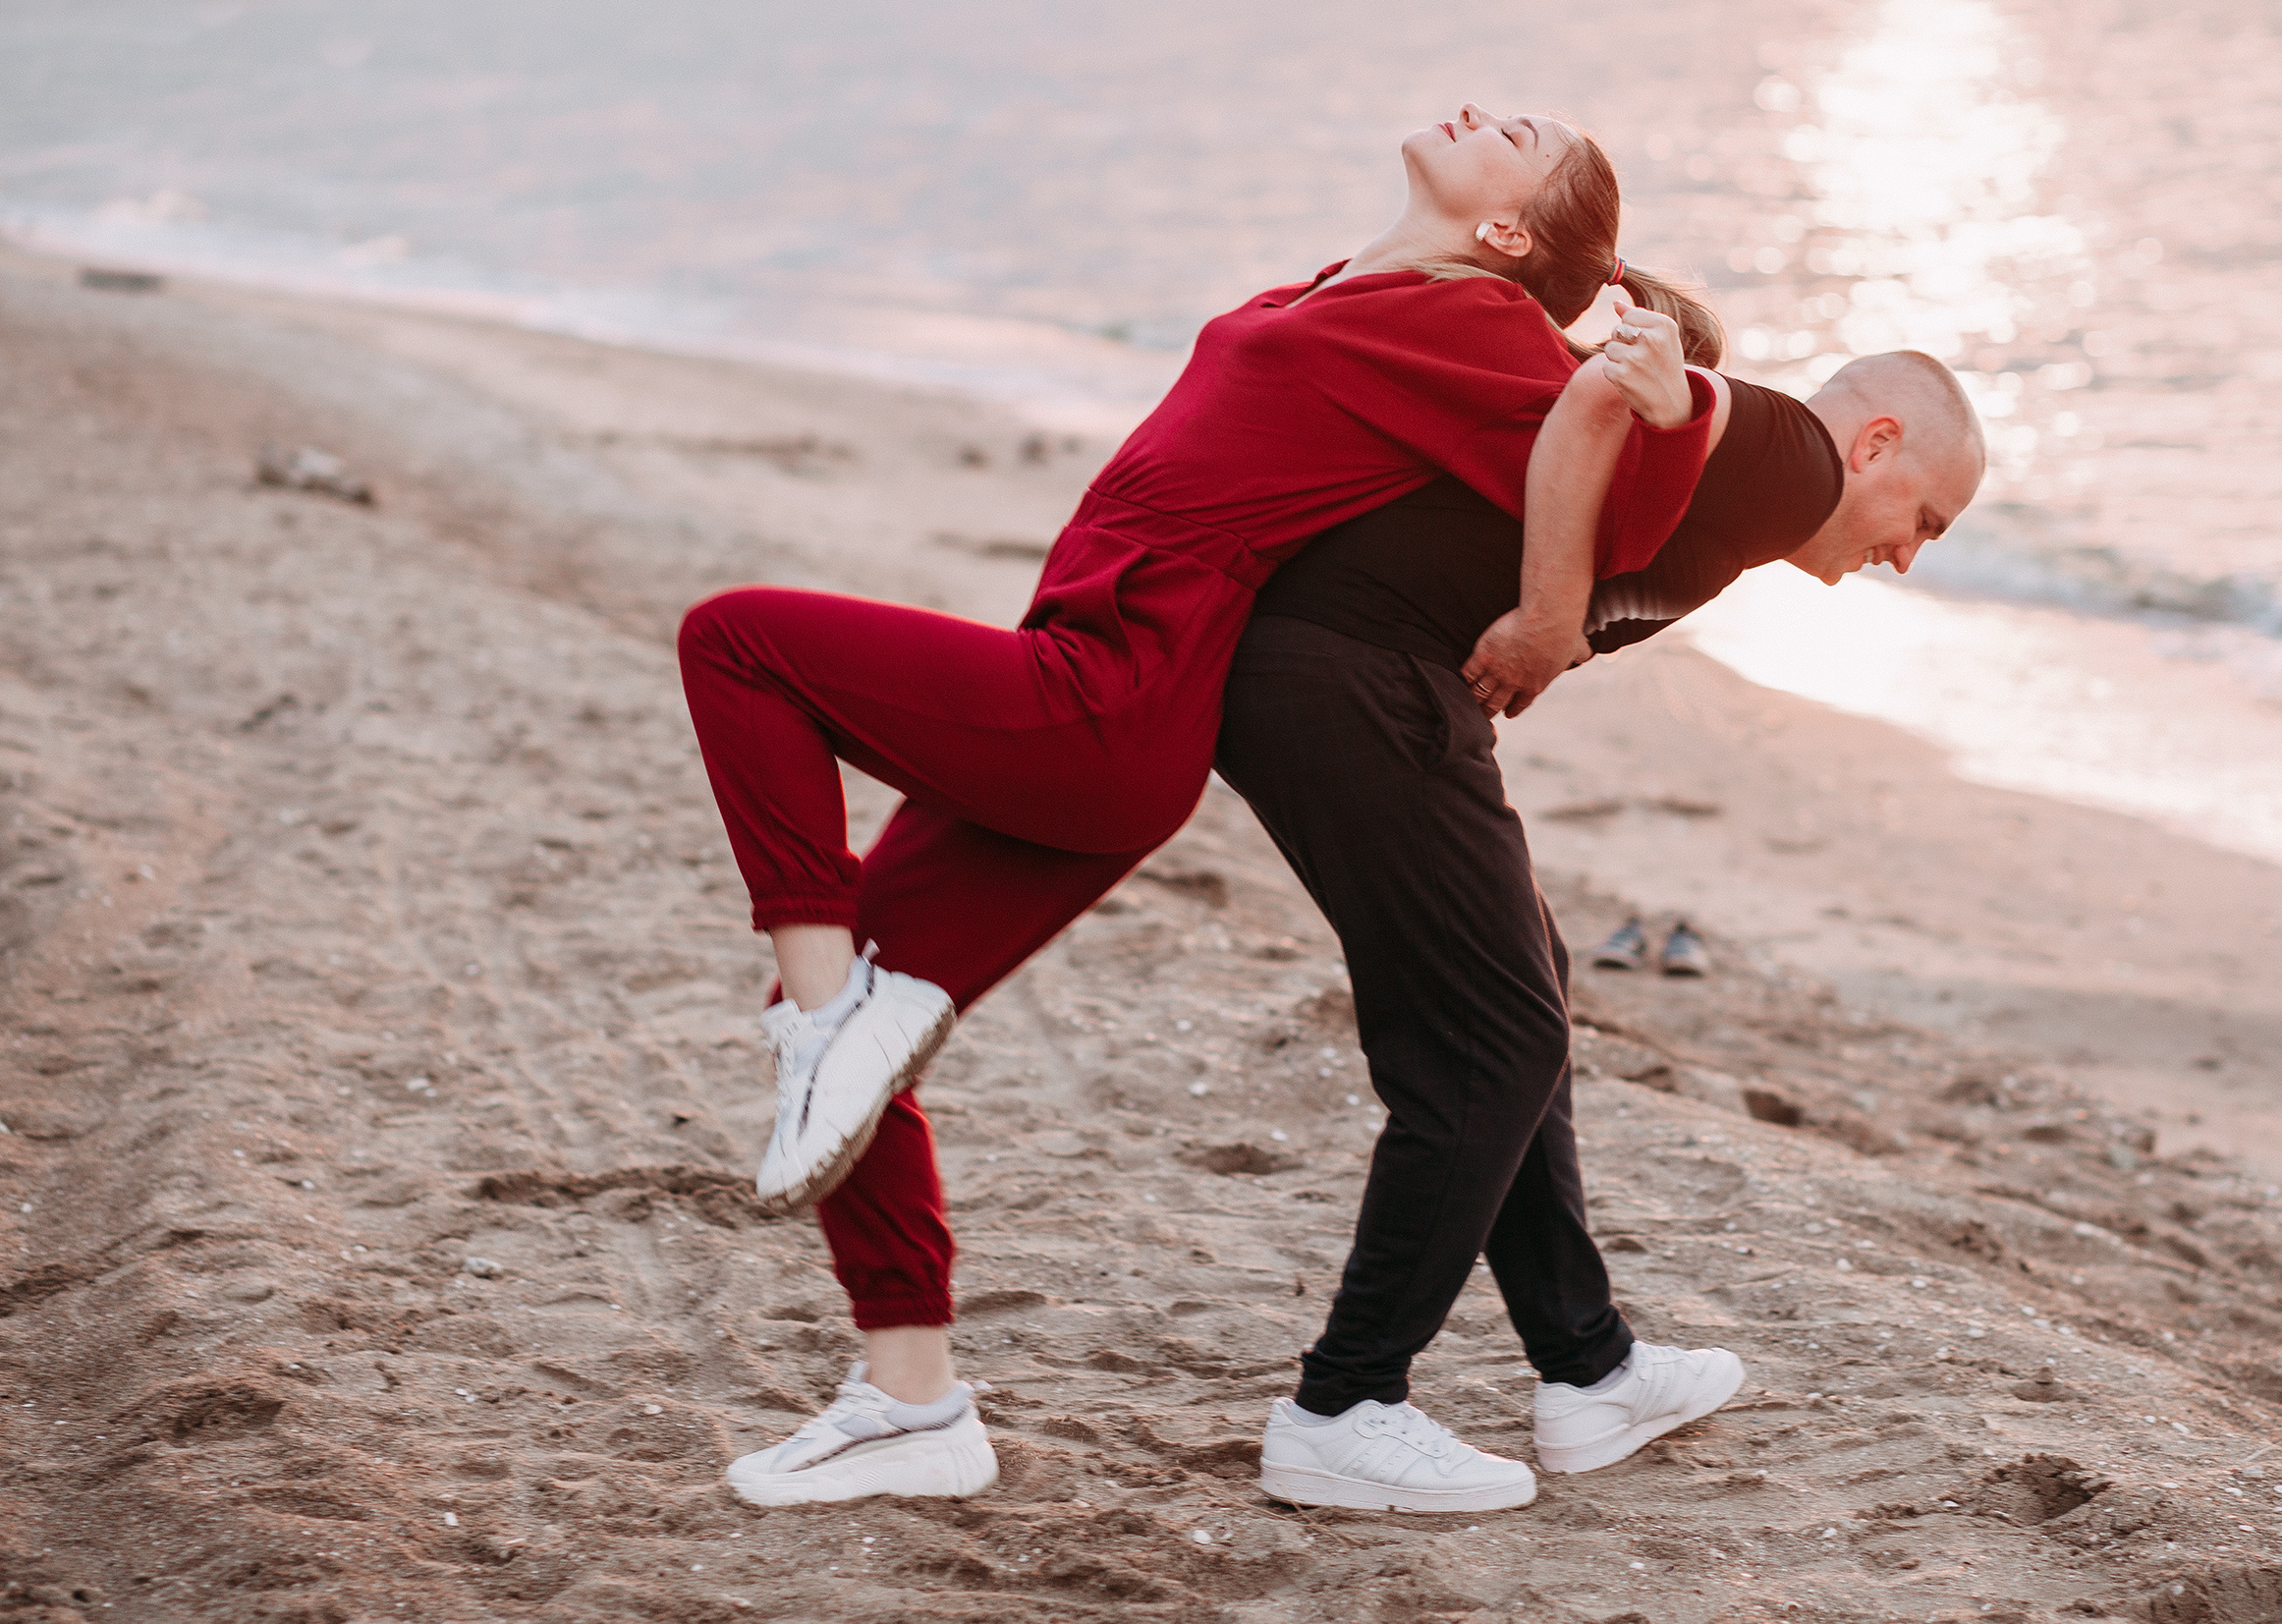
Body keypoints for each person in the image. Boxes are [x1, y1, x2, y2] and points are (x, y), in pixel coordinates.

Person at [680, 104, 1728, 1507]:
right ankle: (910, 1399)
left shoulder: (1482, 328)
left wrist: (1683, 405)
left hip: (1105, 692)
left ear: (1509, 232)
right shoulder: (1341, 289)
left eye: (1526, 138)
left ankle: (823, 1023)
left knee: (737, 642)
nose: (1493, 109)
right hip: (1079, 682)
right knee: (880, 1005)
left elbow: (1608, 505)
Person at [1215, 350, 1987, 1511]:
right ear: (1873, 443)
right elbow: (1623, 393)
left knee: (1524, 994)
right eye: (1921, 516)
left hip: (1346, 677)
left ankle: (1590, 1368)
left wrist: (1546, 610)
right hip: (1353, 674)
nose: (1908, 552)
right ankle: (1344, 1403)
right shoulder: (1792, 457)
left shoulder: (1751, 499)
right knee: (1496, 1040)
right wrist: (1544, 610)